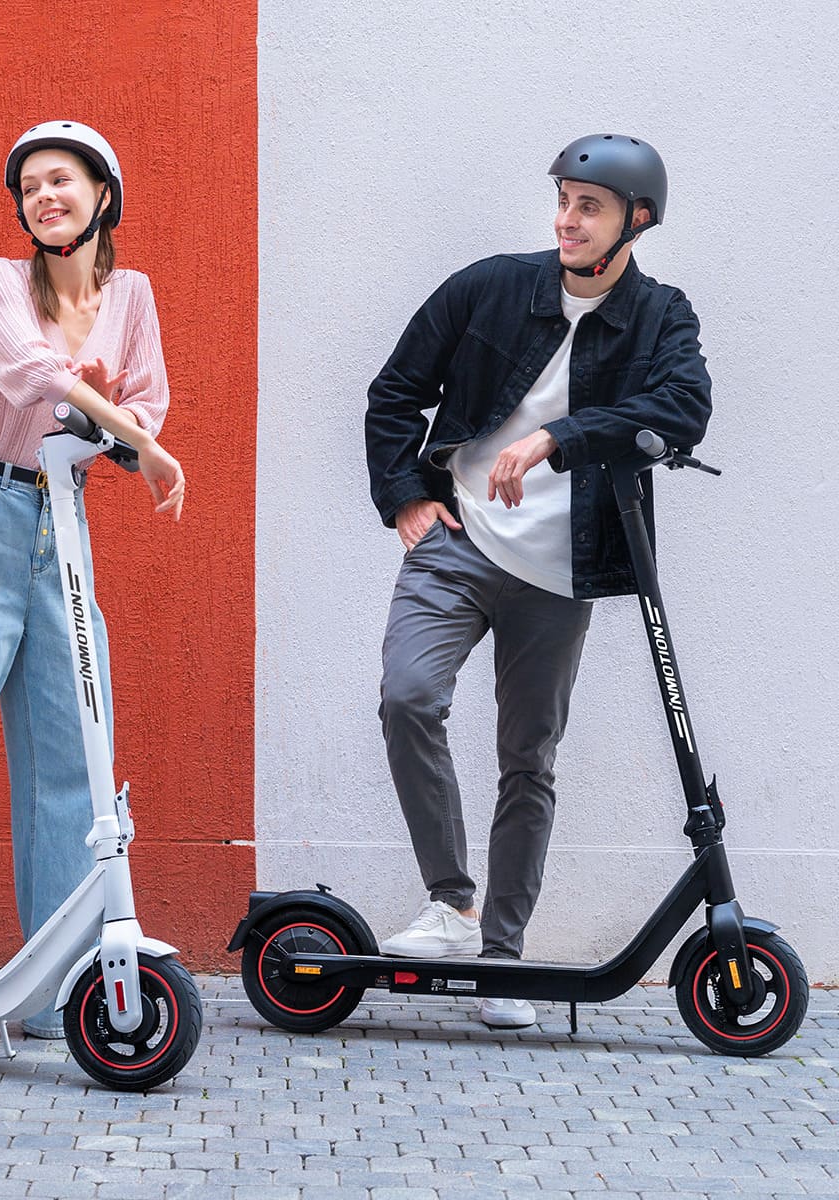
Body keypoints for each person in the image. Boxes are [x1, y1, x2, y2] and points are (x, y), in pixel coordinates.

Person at [365, 134, 711, 1029]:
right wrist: (406, 498)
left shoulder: (660, 316)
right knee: (408, 696)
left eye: (588, 205)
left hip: (563, 573)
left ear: (635, 221)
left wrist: (560, 435)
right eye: (561, 198)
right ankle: (451, 904)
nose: (566, 218)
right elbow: (394, 391)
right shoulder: (490, 287)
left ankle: (503, 960)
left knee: (529, 758)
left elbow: (684, 408)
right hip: (461, 543)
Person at [0, 120, 185, 1046]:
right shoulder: (0, 281)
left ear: (103, 194)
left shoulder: (133, 292)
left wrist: (130, 426)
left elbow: (144, 394)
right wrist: (137, 441)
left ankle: (65, 974)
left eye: (60, 180)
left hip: (61, 523)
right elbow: (32, 377)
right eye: (29, 187)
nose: (42, 198)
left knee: (74, 752)